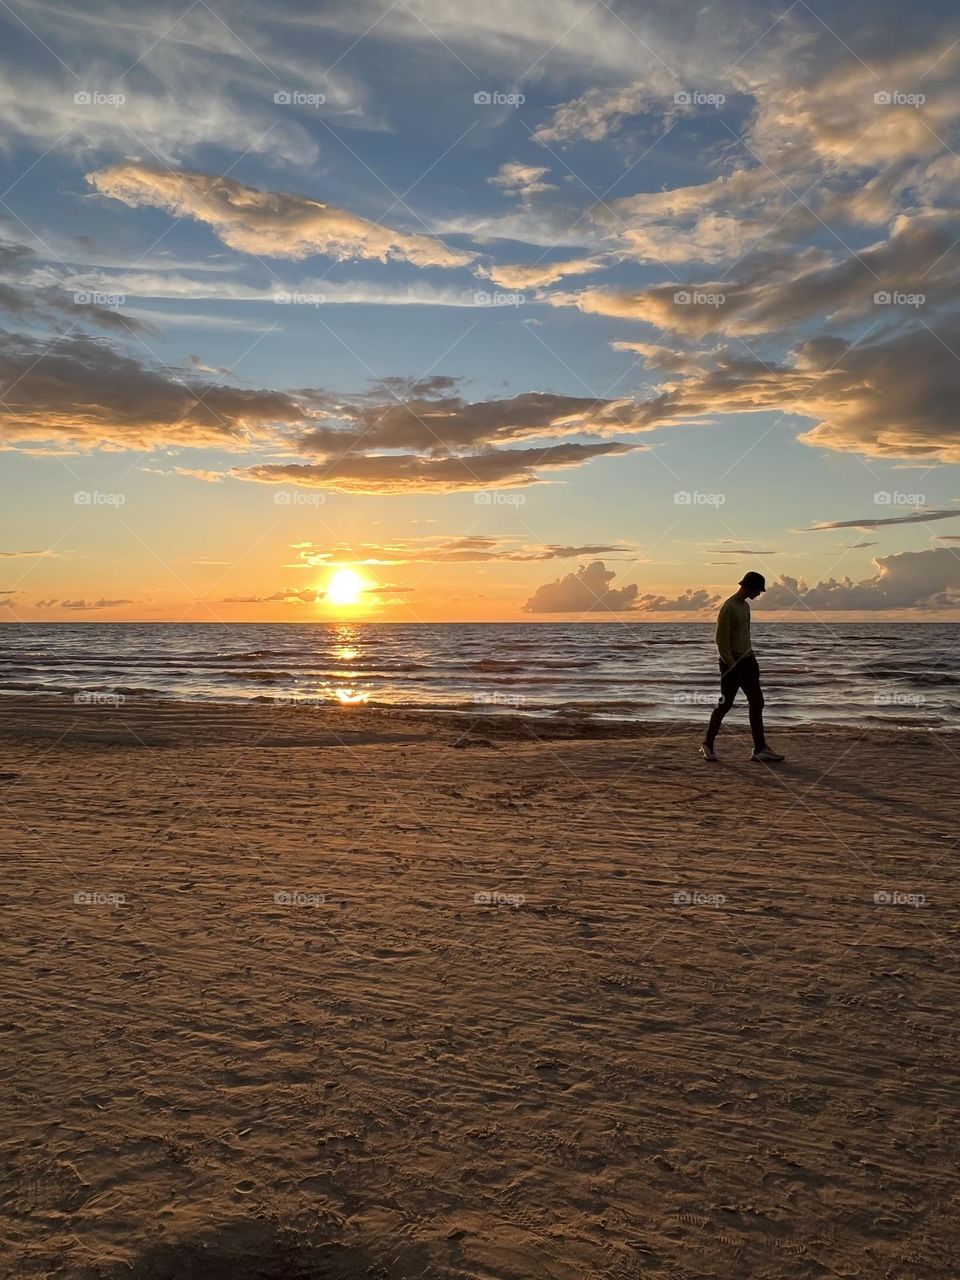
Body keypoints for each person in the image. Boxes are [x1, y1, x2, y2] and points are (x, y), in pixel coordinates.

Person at [700, 572, 784, 763]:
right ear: (749, 588)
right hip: (733, 663)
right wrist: (731, 665)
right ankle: (707, 742)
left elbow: (744, 635)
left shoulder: (745, 607)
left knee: (757, 702)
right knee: (725, 704)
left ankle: (760, 748)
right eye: (757, 590)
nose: (759, 594)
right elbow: (721, 640)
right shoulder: (729, 607)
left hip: (748, 661)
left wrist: (751, 657)